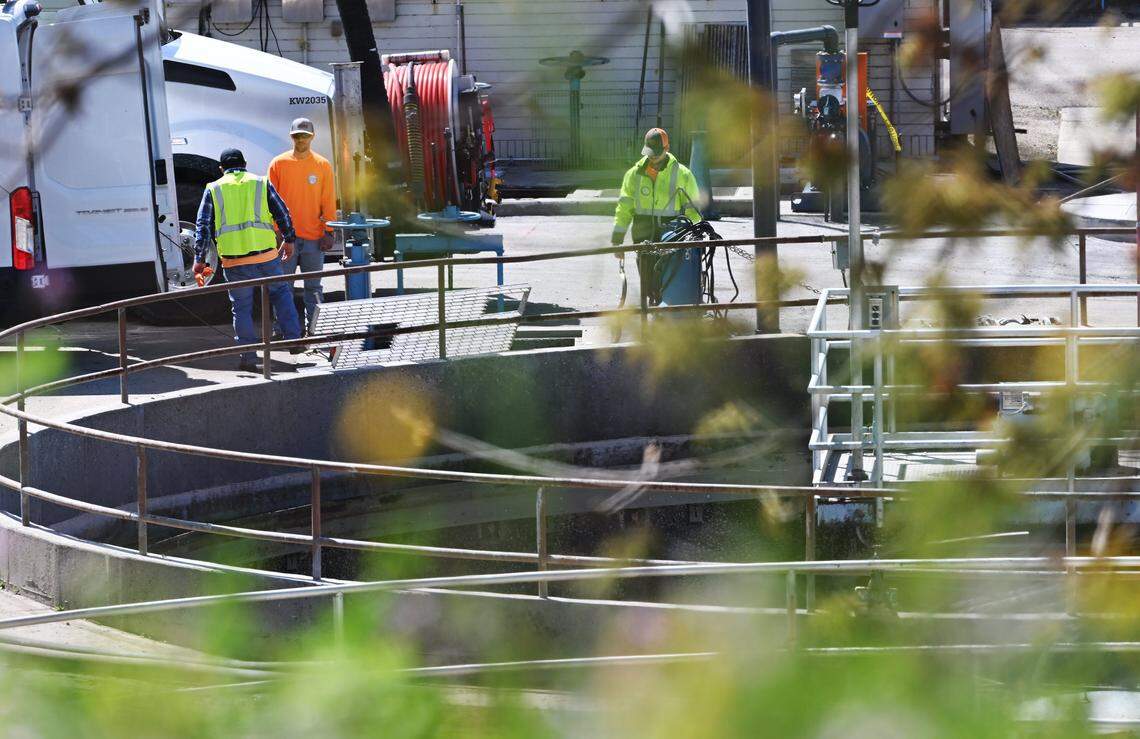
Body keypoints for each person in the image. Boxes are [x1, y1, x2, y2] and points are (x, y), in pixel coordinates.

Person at [193, 148, 302, 373]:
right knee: (281, 294)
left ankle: (249, 357)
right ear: (245, 164)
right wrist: (289, 239)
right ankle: (293, 340)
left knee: (241, 308)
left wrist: (199, 260)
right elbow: (283, 212)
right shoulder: (261, 183)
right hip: (266, 257)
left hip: (235, 262)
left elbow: (203, 227)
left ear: (221, 169)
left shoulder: (213, 189)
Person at [610, 128, 704, 302]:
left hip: (671, 236)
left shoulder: (683, 174)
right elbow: (624, 208)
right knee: (648, 282)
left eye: (657, 153)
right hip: (642, 236)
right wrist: (617, 239)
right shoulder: (634, 174)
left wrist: (692, 236)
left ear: (667, 148)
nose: (652, 157)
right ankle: (654, 309)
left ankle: (664, 312)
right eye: (649, 152)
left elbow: (693, 210)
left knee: (669, 280)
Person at [268, 117, 337, 333]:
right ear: (292, 137)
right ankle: (283, 330)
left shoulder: (322, 165)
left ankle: (316, 329)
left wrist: (329, 231)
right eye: (297, 135)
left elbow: (328, 200)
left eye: (305, 135)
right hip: (287, 238)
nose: (301, 139)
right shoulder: (278, 164)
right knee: (283, 286)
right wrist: (277, 232)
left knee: (313, 286)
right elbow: (270, 201)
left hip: (315, 238)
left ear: (312, 137)